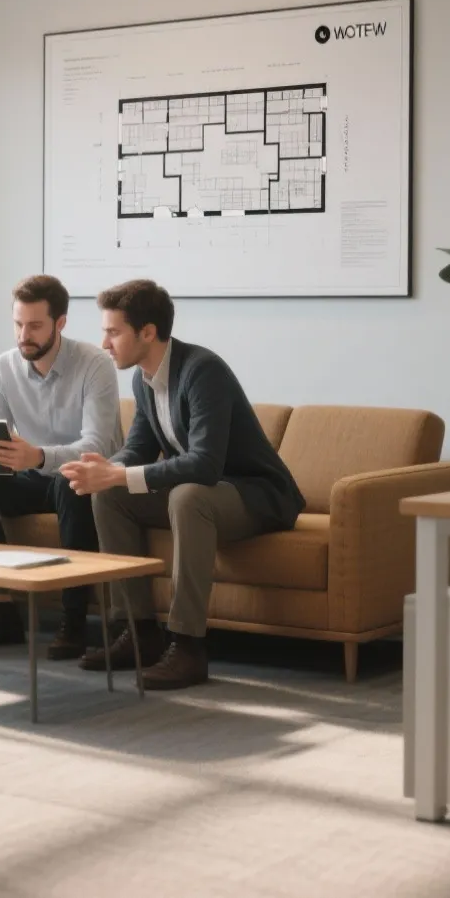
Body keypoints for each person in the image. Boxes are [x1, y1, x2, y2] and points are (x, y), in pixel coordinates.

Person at [60, 279, 304, 690]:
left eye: (113, 332)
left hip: (256, 494)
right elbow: (137, 449)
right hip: (208, 493)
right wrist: (106, 469)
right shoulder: (143, 378)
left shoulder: (202, 371)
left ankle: (188, 647)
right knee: (110, 495)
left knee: (189, 496)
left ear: (148, 332)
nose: (104, 343)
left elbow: (205, 464)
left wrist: (119, 473)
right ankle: (138, 632)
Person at [0, 275, 122, 658]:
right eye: (18, 324)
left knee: (70, 479)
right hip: (31, 477)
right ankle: (4, 609)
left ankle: (74, 619)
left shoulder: (95, 364)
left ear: (60, 323)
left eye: (34, 325)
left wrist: (40, 456)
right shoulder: (5, 367)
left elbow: (95, 445)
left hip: (89, 477)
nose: (23, 335)